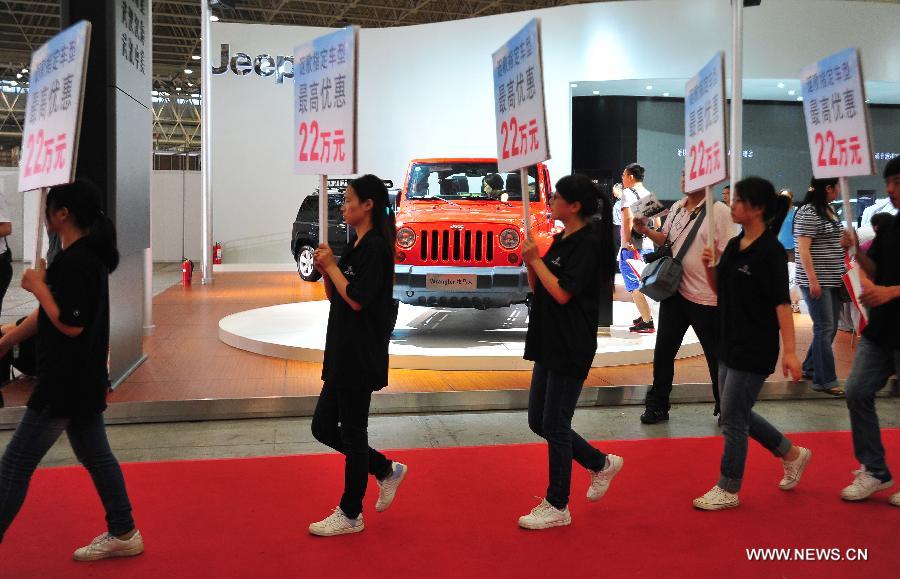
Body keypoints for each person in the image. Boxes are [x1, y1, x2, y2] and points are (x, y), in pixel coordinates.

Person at [0, 180, 144, 560]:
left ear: (63, 214)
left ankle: (124, 529)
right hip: (79, 378)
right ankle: (124, 530)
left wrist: (39, 287)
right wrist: (8, 339)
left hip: (65, 381)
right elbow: (49, 315)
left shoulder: (79, 262)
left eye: (50, 207)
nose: (45, 214)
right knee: (95, 455)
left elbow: (70, 322)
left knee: (14, 463)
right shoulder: (74, 257)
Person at [693, 176, 810, 510]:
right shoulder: (735, 245)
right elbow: (720, 293)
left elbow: (781, 304)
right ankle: (792, 453)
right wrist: (709, 268)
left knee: (731, 416)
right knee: (736, 412)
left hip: (755, 345)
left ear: (757, 208)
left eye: (739, 200)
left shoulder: (770, 252)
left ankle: (728, 488)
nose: (732, 205)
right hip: (727, 341)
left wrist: (790, 351)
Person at [518, 174, 623, 530]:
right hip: (549, 338)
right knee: (538, 420)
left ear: (574, 205)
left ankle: (557, 503)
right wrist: (532, 261)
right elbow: (542, 287)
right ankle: (599, 463)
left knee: (556, 423)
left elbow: (563, 292)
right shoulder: (564, 237)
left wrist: (539, 262)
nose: (551, 201)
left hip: (571, 341)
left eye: (556, 197)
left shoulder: (590, 242)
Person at [308, 174, 406, 537]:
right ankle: (384, 469)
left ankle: (351, 513)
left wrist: (333, 267)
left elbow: (359, 298)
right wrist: (326, 271)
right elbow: (339, 297)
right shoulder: (357, 243)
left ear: (368, 205)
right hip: (342, 349)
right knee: (322, 426)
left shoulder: (377, 247)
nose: (344, 205)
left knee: (352, 433)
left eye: (349, 200)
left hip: (359, 353)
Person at [635, 171, 735, 424]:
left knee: (716, 356)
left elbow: (731, 251)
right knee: (663, 353)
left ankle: (726, 406)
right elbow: (667, 240)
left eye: (689, 175)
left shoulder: (719, 211)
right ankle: (657, 405)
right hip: (674, 292)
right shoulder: (678, 207)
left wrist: (718, 264)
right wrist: (645, 231)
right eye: (681, 174)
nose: (683, 179)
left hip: (707, 297)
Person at [838, 157, 900, 506]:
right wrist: (855, 253)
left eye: (897, 182)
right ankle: (874, 469)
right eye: (888, 182)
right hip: (881, 329)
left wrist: (891, 291)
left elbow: (887, 283)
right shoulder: (889, 226)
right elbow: (876, 267)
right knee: (858, 389)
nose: (889, 190)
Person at [793, 178, 846, 396]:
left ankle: (810, 367)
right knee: (825, 328)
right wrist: (812, 280)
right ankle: (825, 380)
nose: (839, 190)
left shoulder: (830, 210)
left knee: (829, 328)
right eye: (837, 186)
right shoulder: (808, 212)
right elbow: (803, 250)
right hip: (817, 280)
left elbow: (833, 240)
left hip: (833, 279)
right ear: (828, 188)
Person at [618, 163, 655, 333]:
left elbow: (627, 219)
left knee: (634, 285)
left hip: (633, 247)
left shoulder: (627, 193)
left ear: (631, 176)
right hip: (647, 245)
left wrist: (627, 241)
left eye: (624, 176)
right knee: (643, 282)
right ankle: (644, 314)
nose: (623, 179)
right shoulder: (647, 193)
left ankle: (647, 322)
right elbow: (657, 222)